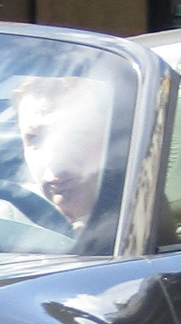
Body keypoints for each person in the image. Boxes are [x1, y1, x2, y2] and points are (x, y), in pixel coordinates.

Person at [8, 75, 114, 234]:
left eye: (74, 138)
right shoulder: (5, 217)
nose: (51, 159)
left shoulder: (146, 220)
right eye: (35, 139)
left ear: (115, 141)